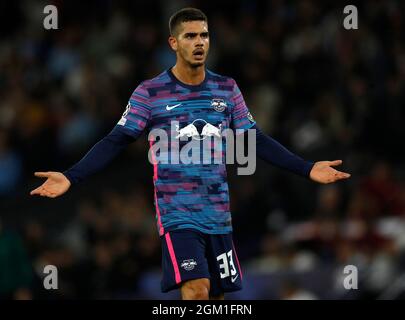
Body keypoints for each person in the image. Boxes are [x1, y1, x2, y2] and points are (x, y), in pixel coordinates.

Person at [30, 8, 350, 300]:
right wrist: (72, 176)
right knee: (196, 290)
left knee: (216, 299)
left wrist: (306, 168)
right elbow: (116, 140)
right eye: (190, 36)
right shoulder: (150, 92)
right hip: (178, 215)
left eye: (204, 35)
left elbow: (256, 140)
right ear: (174, 42)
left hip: (218, 215)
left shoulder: (227, 88)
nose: (199, 42)